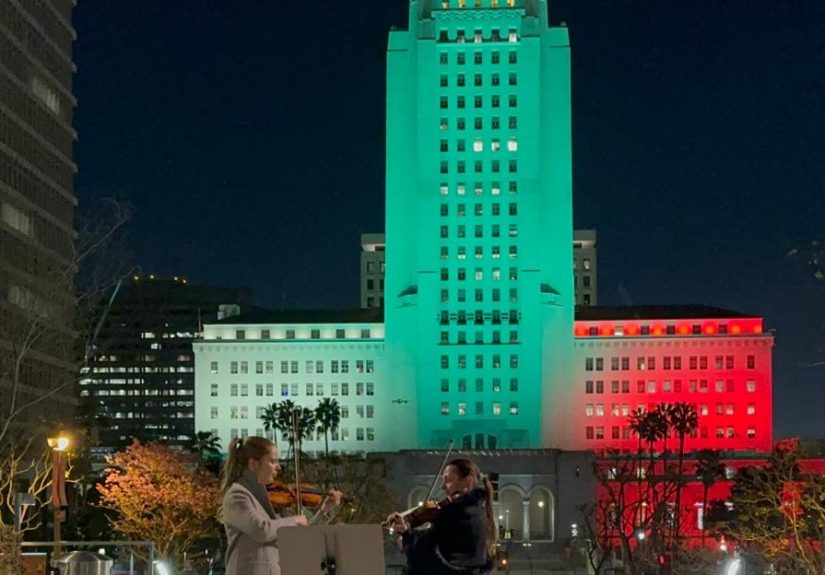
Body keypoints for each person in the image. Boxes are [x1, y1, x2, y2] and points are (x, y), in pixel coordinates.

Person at [220, 436, 340, 575]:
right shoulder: (237, 495)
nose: (278, 466)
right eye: (272, 461)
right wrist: (294, 520)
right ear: (253, 464)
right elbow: (262, 530)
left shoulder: (267, 498)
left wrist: (323, 511)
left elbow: (299, 538)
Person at [387, 458, 497, 575]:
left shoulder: (457, 514)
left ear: (467, 481)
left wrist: (407, 536)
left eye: (448, 480)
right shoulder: (479, 512)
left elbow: (426, 556)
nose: (443, 486)